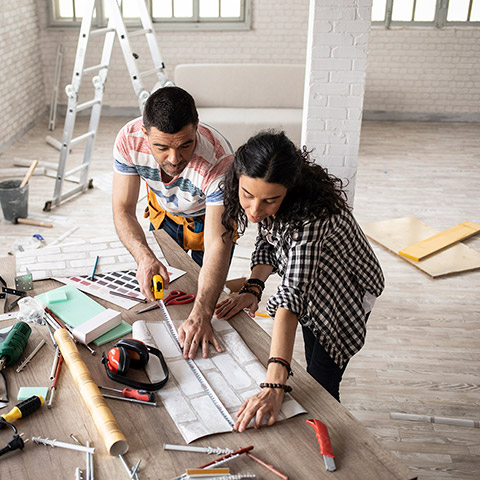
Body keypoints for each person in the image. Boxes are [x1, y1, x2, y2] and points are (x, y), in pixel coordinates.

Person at [215, 131, 385, 432]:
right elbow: (269, 243)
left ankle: (333, 439)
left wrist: (273, 383)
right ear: (238, 179)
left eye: (269, 201)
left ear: (289, 191)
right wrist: (253, 287)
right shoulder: (270, 201)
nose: (254, 211)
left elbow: (292, 296)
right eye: (247, 196)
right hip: (313, 285)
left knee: (322, 383)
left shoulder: (313, 216)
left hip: (345, 290)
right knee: (310, 350)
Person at [113, 86, 234, 359]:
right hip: (164, 211)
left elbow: (218, 243)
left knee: (204, 299)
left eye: (185, 145)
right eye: (162, 147)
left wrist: (203, 313)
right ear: (145, 134)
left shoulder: (220, 161)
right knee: (166, 291)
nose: (174, 159)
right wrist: (144, 257)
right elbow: (122, 209)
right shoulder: (129, 139)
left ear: (197, 129)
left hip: (208, 219)